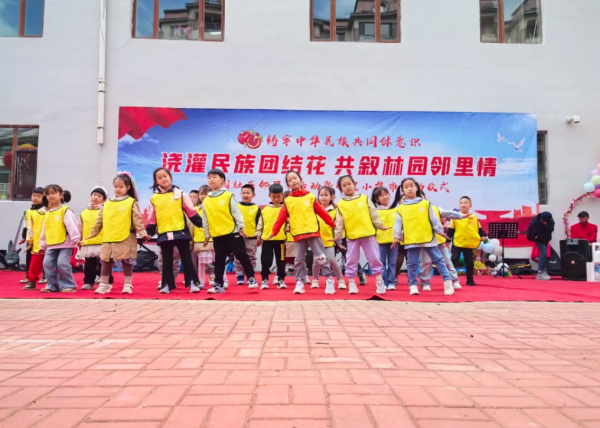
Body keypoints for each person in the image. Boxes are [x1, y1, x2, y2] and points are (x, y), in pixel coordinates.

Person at [268, 170, 336, 295]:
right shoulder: (288, 201)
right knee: (299, 260)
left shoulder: (310, 196)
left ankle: (329, 279)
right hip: (298, 234)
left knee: (321, 258)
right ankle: (299, 282)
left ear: (300, 180)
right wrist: (274, 232)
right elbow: (281, 218)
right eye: (290, 180)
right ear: (288, 185)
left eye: (295, 178)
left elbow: (321, 212)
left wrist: (332, 224)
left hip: (312, 232)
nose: (293, 181)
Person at [87, 174, 149, 294]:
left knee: (127, 261)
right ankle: (103, 285)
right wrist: (92, 234)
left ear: (128, 187)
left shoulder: (131, 202)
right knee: (106, 261)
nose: (118, 189)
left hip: (126, 236)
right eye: (116, 186)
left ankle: (127, 285)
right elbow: (99, 220)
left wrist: (143, 233)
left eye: (121, 187)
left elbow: (137, 219)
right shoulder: (107, 203)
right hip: (109, 237)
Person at [393, 178, 455, 296]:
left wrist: (439, 231)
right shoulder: (401, 208)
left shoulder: (426, 204)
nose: (409, 188)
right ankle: (413, 285)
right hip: (412, 239)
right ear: (403, 191)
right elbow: (398, 223)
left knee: (438, 259)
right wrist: (396, 236)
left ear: (416, 187)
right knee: (412, 264)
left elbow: (434, 219)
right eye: (406, 187)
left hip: (427, 237)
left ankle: (447, 281)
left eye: (411, 186)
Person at [146, 167, 203, 293]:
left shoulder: (181, 194)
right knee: (166, 261)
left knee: (186, 258)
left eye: (165, 176)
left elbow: (191, 212)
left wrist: (202, 225)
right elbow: (152, 216)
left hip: (180, 231)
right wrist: (149, 231)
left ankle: (193, 283)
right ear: (156, 181)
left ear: (170, 177)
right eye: (159, 178)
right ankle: (166, 284)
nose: (163, 179)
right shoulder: (154, 198)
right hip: (164, 232)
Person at [202, 169, 258, 294]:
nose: (211, 179)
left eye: (214, 177)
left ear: (222, 180)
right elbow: (205, 218)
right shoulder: (206, 200)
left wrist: (241, 228)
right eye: (209, 177)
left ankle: (251, 278)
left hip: (232, 232)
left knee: (242, 255)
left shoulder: (228, 195)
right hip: (217, 234)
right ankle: (218, 285)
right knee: (219, 260)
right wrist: (207, 234)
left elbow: (236, 213)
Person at [333, 175, 388, 295]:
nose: (348, 187)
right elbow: (339, 222)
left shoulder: (364, 198)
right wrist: (337, 235)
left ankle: (379, 281)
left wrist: (380, 225)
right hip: (352, 236)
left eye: (349, 184)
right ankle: (352, 283)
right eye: (344, 185)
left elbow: (374, 213)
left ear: (354, 184)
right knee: (351, 260)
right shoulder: (340, 204)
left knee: (374, 257)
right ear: (341, 189)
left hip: (368, 233)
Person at [418, 192, 464, 292]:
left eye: (421, 197)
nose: (420, 199)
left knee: (447, 261)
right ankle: (425, 283)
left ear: (425, 197)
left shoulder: (435, 209)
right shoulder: (415, 211)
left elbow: (448, 213)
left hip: (439, 241)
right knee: (425, 263)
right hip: (425, 241)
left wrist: (460, 215)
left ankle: (454, 281)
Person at [39, 185, 81, 293]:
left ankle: (69, 285)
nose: (50, 196)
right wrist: (42, 245)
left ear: (61, 195)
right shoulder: (48, 213)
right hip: (51, 244)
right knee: (47, 264)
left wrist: (76, 238)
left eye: (53, 193)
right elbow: (45, 230)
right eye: (48, 194)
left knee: (62, 263)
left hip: (65, 244)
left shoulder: (65, 210)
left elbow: (71, 225)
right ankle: (52, 286)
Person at [313, 186, 346, 293]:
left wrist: (338, 241)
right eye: (321, 195)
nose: (323, 197)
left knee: (332, 260)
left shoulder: (335, 211)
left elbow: (337, 227)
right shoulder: (314, 210)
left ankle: (340, 280)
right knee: (316, 262)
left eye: (326, 195)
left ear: (332, 197)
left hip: (330, 241)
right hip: (316, 241)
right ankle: (315, 280)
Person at [448, 196, 486, 286]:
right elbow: (450, 229)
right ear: (459, 205)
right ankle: (451, 279)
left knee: (469, 261)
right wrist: (447, 240)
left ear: (470, 205)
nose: (463, 204)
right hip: (457, 242)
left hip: (469, 243)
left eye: (465, 203)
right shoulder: (455, 216)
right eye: (461, 203)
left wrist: (483, 235)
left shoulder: (474, 217)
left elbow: (479, 228)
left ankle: (470, 279)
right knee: (454, 260)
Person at [256, 183, 287, 290]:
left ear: (283, 195)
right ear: (269, 196)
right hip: (267, 240)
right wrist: (258, 236)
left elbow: (289, 222)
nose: (276, 199)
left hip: (281, 240)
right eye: (274, 197)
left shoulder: (285, 209)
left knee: (281, 261)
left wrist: (288, 228)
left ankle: (281, 280)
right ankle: (264, 279)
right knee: (266, 261)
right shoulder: (265, 210)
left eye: (279, 196)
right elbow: (260, 224)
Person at [78, 186, 108, 290]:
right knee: (89, 264)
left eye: (99, 196)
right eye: (94, 195)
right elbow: (80, 227)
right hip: (88, 242)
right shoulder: (84, 212)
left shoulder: (106, 211)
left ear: (103, 200)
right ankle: (88, 282)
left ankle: (106, 282)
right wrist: (79, 239)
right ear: (90, 196)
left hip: (103, 242)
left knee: (104, 264)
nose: (96, 197)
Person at [235, 184, 260, 285]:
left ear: (253, 195)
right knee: (238, 257)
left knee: (251, 257)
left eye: (248, 193)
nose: (245, 195)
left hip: (251, 237)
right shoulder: (236, 206)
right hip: (238, 236)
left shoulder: (256, 208)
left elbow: (259, 223)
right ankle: (240, 276)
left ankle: (251, 276)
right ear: (240, 194)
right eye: (243, 193)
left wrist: (259, 236)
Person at [22, 188, 46, 290]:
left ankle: (49, 279)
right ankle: (31, 281)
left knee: (49, 263)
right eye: (34, 196)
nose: (35, 198)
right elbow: (28, 227)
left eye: (39, 196)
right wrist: (28, 240)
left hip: (48, 241)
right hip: (35, 242)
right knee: (34, 263)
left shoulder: (46, 210)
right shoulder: (28, 211)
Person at [527, 211, 555, 281]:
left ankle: (544, 270)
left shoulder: (550, 221)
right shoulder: (534, 223)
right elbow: (529, 233)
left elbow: (551, 228)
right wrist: (535, 237)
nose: (544, 222)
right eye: (543, 221)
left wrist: (546, 227)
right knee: (543, 252)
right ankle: (540, 272)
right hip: (538, 239)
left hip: (546, 239)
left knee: (545, 254)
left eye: (546, 222)